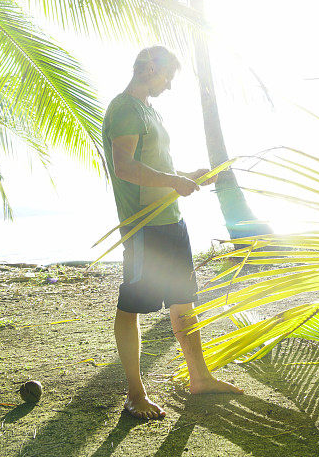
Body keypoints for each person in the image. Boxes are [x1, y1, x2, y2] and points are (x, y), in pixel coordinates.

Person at [102, 45, 243, 419]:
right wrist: (172, 180)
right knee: (131, 305)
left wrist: (186, 177)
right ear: (150, 68)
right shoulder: (124, 108)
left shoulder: (148, 110)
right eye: (167, 76)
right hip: (144, 226)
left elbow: (155, 166)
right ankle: (135, 394)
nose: (168, 85)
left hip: (171, 221)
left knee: (184, 300)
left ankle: (200, 378)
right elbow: (125, 167)